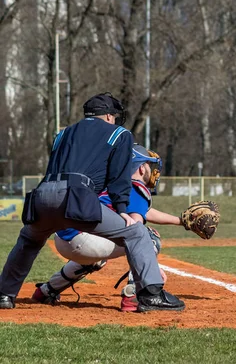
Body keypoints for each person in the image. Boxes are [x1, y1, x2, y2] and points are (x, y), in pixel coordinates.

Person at [0, 92, 184, 312]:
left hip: (42, 195)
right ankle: (151, 295)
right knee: (136, 232)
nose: (114, 120)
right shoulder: (119, 134)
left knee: (28, 241)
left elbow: (54, 169)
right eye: (114, 116)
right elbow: (118, 177)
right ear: (108, 116)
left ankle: (5, 295)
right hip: (76, 197)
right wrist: (122, 208)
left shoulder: (62, 133)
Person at [32, 144, 185, 312]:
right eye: (149, 166)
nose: (152, 171)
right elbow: (136, 227)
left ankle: (47, 290)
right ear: (141, 168)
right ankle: (133, 295)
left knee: (99, 256)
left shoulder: (110, 183)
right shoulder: (135, 186)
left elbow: (145, 212)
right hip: (86, 241)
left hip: (64, 238)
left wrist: (181, 221)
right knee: (148, 237)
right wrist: (151, 270)